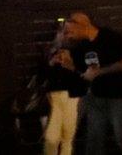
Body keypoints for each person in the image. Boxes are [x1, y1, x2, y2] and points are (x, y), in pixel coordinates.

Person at [65, 11, 122, 154]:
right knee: (93, 138)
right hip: (97, 96)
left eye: (71, 31)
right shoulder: (81, 46)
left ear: (82, 25)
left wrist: (99, 71)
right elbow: (84, 72)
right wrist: (69, 65)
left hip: (120, 95)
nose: (70, 35)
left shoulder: (110, 38)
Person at [43, 22, 85, 155]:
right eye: (61, 32)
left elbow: (85, 73)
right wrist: (51, 63)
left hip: (72, 95)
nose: (64, 35)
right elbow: (42, 74)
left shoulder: (79, 49)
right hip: (54, 95)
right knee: (51, 137)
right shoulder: (50, 50)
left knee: (68, 134)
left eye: (67, 32)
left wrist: (70, 64)